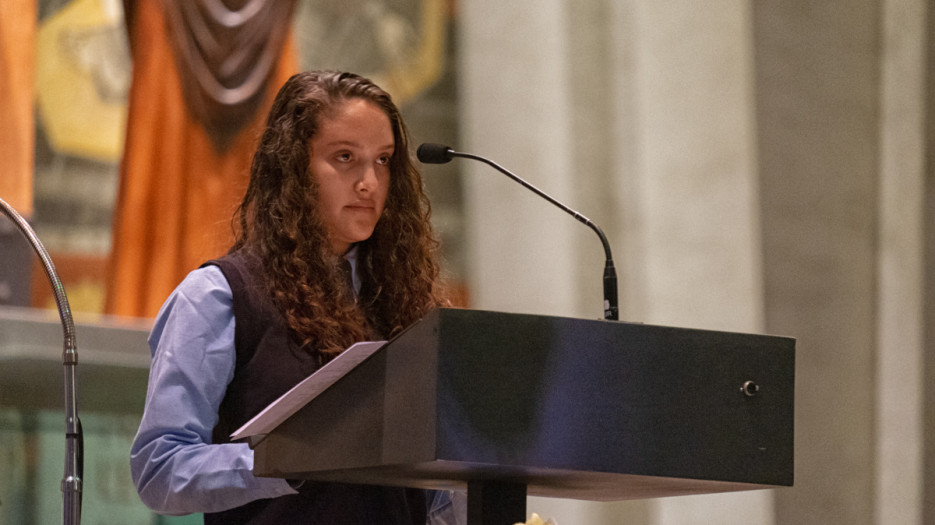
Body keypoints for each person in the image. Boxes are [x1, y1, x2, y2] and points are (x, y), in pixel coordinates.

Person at [130, 70, 462, 524]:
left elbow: (437, 494)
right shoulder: (218, 297)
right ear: (294, 169)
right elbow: (159, 469)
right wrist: (284, 461)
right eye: (345, 157)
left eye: (383, 160)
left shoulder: (412, 310)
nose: (369, 181)